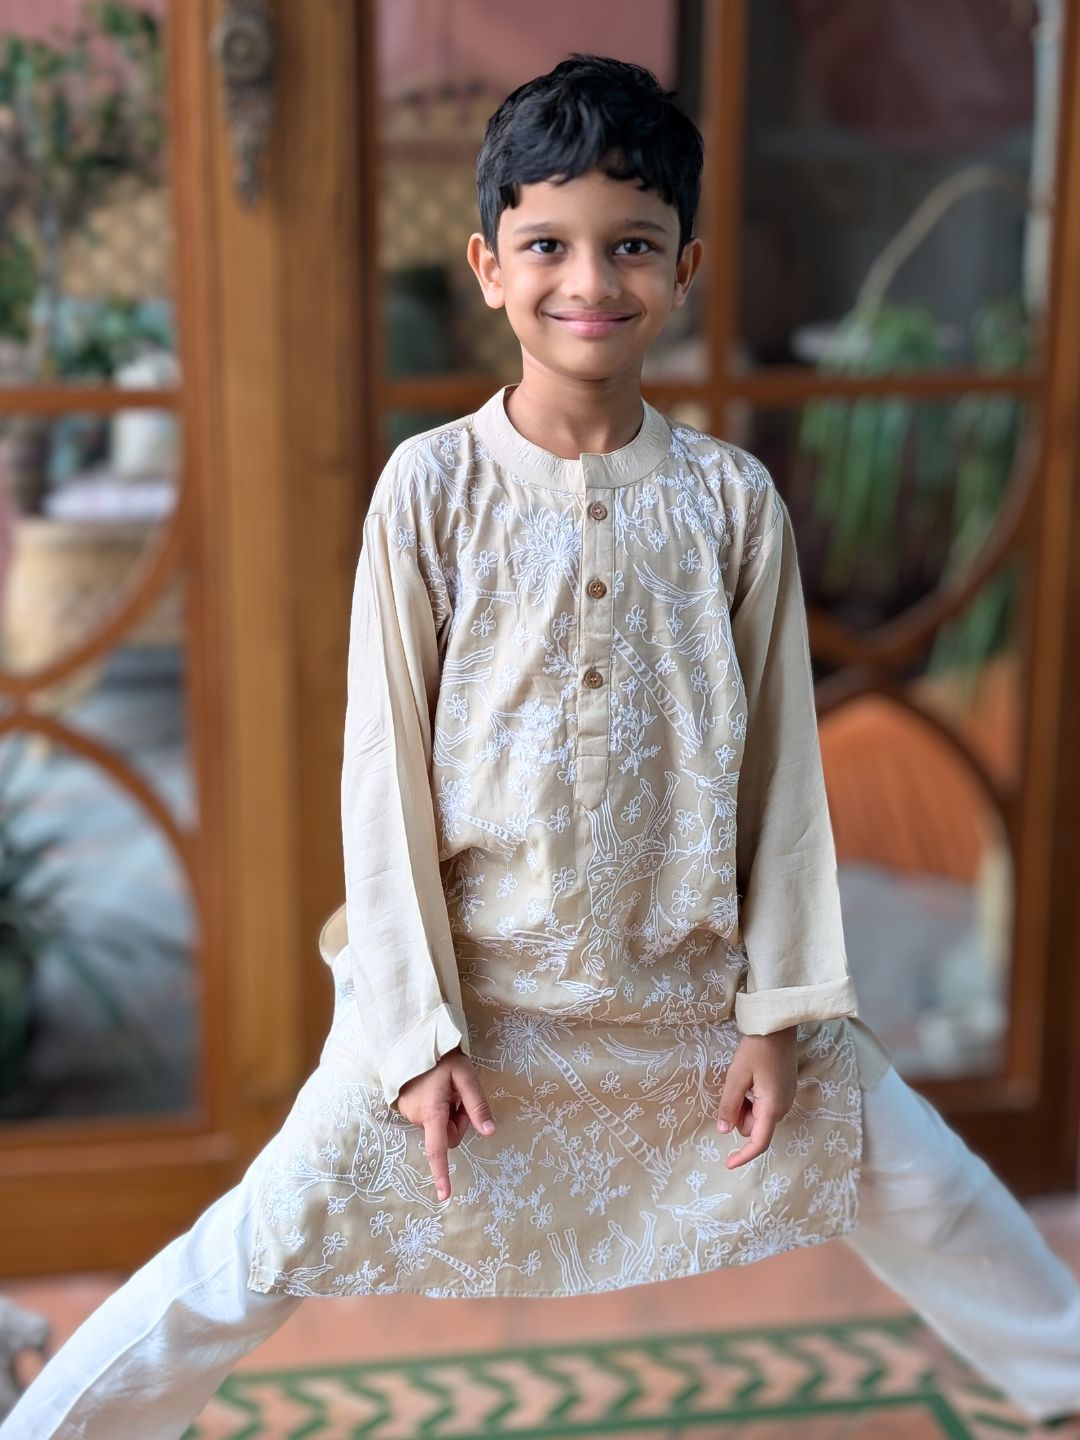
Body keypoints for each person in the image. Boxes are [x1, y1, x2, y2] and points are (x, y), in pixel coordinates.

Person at [4, 52, 1079, 1440]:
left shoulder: (732, 503)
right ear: (489, 265)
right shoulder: (431, 492)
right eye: (550, 245)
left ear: (683, 267)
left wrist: (777, 1009)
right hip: (475, 1003)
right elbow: (380, 776)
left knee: (915, 1172)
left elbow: (783, 786)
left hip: (690, 999)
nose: (592, 280)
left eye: (632, 245)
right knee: (264, 1240)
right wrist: (412, 1032)